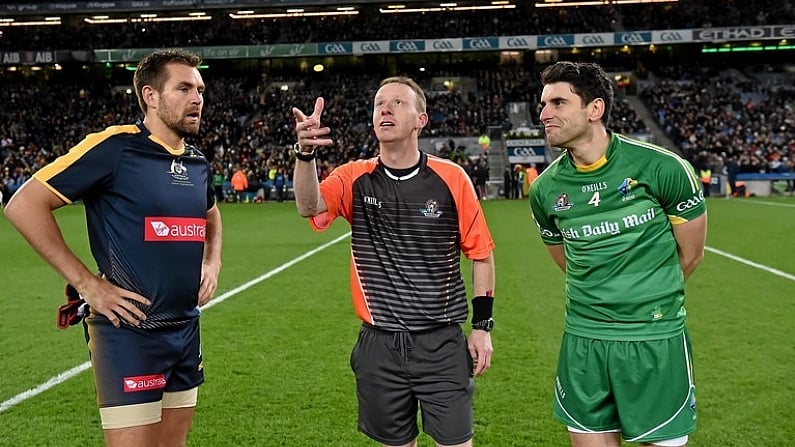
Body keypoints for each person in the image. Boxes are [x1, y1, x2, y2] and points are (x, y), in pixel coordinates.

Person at [4, 48, 222, 447]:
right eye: (185, 88)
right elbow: (24, 205)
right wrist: (87, 284)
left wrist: (212, 260)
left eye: (201, 90)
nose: (198, 99)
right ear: (150, 96)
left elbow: (211, 214)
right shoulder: (115, 147)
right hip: (129, 333)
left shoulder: (196, 161)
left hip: (184, 328)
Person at [291, 76, 496, 447]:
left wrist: (482, 327)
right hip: (378, 345)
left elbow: (481, 254)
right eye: (379, 103)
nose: (385, 108)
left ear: (421, 120)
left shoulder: (451, 178)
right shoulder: (354, 177)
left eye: (398, 103)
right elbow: (309, 205)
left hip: (441, 344)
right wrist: (305, 155)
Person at [528, 61, 707, 447]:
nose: (544, 114)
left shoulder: (663, 168)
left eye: (558, 103)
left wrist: (645, 297)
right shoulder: (544, 191)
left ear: (595, 109)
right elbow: (567, 261)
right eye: (543, 104)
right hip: (583, 339)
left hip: (653, 337)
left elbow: (690, 256)